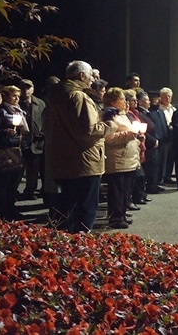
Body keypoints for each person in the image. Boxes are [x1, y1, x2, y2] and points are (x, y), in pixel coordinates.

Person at [45, 60, 118, 233]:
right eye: (92, 74)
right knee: (85, 209)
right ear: (82, 75)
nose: (94, 79)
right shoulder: (78, 96)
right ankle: (80, 248)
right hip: (84, 162)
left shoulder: (57, 96)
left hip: (65, 160)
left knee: (68, 208)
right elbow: (88, 130)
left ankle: (67, 246)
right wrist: (110, 125)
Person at [101, 87, 143, 229]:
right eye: (122, 99)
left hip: (129, 159)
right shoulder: (108, 116)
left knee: (125, 190)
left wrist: (138, 138)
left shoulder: (122, 115)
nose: (125, 102)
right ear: (113, 101)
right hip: (118, 159)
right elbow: (108, 138)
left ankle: (122, 214)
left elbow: (129, 133)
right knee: (117, 191)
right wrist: (130, 135)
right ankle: (115, 218)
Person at [0, 85, 29, 221]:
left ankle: (11, 208)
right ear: (6, 97)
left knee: (14, 183)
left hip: (18, 149)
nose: (17, 99)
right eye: (14, 96)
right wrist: (5, 132)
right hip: (5, 150)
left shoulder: (19, 111)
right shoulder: (0, 111)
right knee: (4, 183)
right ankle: (2, 211)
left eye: (18, 96)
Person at [18, 79, 46, 200]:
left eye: (28, 87)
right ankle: (13, 191)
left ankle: (30, 190)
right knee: (18, 170)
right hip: (20, 141)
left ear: (33, 89)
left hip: (36, 141)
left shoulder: (40, 103)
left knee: (34, 169)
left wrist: (43, 133)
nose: (26, 90)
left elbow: (45, 119)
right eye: (23, 88)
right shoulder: (16, 103)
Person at [136, 91, 161, 197]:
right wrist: (153, 141)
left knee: (154, 167)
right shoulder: (140, 114)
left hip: (153, 143)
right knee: (148, 168)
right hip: (148, 144)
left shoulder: (147, 112)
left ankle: (153, 185)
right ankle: (148, 188)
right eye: (147, 100)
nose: (149, 102)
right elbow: (143, 130)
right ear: (141, 102)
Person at [159, 87, 176, 184]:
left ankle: (168, 176)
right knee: (164, 157)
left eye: (169, 96)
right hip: (164, 134)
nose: (167, 98)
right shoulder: (159, 109)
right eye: (165, 96)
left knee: (171, 157)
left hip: (172, 134)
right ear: (161, 97)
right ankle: (161, 177)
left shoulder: (173, 108)